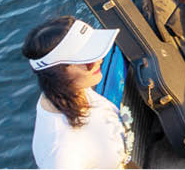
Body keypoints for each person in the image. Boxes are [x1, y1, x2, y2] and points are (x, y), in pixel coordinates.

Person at [24, 16, 130, 169]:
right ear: (58, 74)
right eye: (88, 61)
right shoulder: (61, 151)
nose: (99, 60)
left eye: (97, 52)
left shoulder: (76, 90)